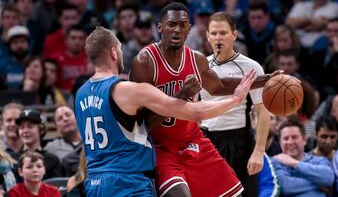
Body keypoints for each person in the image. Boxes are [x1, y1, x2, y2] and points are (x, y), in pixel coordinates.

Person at [74, 26, 256, 196]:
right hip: (128, 182)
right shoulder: (128, 90)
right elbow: (196, 112)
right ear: (114, 52)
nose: (122, 53)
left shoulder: (80, 95)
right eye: (120, 50)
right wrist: (236, 99)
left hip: (95, 184)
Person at [130, 2, 274, 197]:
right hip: (159, 147)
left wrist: (266, 79)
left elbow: (219, 86)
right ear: (160, 27)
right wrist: (180, 96)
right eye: (171, 24)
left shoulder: (196, 60)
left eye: (182, 25)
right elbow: (139, 122)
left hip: (193, 140)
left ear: (190, 29)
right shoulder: (145, 61)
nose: (177, 29)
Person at [200, 11, 270, 197]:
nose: (218, 38)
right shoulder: (200, 67)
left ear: (234, 35)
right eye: (213, 33)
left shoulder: (251, 67)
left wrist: (259, 151)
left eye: (223, 33)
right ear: (207, 36)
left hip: (238, 140)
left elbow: (263, 112)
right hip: (206, 141)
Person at [271, 119, 335, 197]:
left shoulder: (319, 160)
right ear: (280, 143)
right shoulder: (276, 162)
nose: (290, 142)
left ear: (304, 140)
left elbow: (328, 178)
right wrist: (319, 184)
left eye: (294, 137)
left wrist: (294, 163)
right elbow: (286, 187)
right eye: (286, 138)